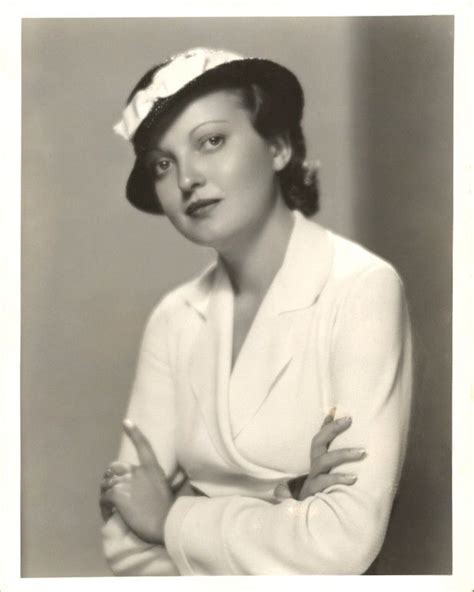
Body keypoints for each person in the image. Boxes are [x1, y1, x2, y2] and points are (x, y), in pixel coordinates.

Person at [100, 47, 413, 575]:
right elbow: (123, 541)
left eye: (212, 141)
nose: (186, 179)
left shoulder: (362, 289)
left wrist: (172, 518)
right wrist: (288, 501)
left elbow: (342, 543)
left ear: (278, 147)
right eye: (162, 162)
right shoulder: (174, 318)